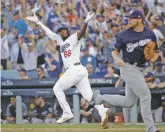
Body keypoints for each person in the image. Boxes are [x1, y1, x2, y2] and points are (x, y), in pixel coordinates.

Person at [26, 12, 109, 128]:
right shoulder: (60, 41)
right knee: (88, 96)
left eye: (64, 30)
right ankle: (102, 110)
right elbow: (49, 33)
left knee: (57, 88)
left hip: (75, 69)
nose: (62, 32)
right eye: (60, 31)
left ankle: (67, 112)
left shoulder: (73, 38)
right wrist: (39, 23)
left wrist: (86, 22)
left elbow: (81, 32)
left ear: (68, 31)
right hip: (78, 71)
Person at [94, 10, 160, 132]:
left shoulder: (150, 34)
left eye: (131, 18)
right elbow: (114, 52)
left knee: (129, 102)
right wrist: (118, 58)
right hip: (128, 68)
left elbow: (155, 54)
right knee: (146, 96)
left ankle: (100, 97)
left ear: (139, 19)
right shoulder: (123, 34)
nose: (129, 20)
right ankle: (151, 128)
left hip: (140, 69)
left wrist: (152, 58)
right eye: (128, 18)